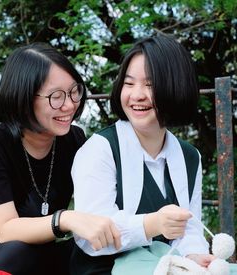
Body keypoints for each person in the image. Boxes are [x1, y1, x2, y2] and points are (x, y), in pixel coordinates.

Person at [0, 42, 121, 275]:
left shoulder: (74, 140)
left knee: (105, 249)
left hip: (39, 257)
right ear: (24, 97)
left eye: (74, 91)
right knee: (18, 252)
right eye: (56, 96)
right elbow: (6, 231)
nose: (69, 105)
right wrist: (65, 219)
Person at [70, 35, 216, 274]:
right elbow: (92, 235)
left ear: (176, 86)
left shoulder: (190, 157)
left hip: (166, 266)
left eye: (149, 85)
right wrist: (153, 224)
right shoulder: (100, 149)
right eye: (129, 84)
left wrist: (194, 256)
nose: (137, 95)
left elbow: (189, 230)